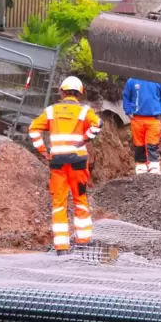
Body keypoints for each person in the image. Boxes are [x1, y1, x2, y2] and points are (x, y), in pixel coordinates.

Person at [29, 76, 103, 256]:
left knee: (59, 202)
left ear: (61, 92)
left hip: (57, 164)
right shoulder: (84, 111)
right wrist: (85, 139)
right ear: (80, 94)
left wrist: (43, 151)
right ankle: (84, 241)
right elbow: (98, 124)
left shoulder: (51, 111)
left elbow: (33, 128)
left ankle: (61, 246)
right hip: (78, 162)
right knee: (80, 199)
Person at [122, 77, 161, 175]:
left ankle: (153, 167)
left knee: (152, 144)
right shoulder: (132, 80)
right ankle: (141, 167)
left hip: (153, 118)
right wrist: (128, 111)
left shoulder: (160, 80)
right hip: (136, 118)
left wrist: (158, 107)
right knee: (138, 144)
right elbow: (126, 97)